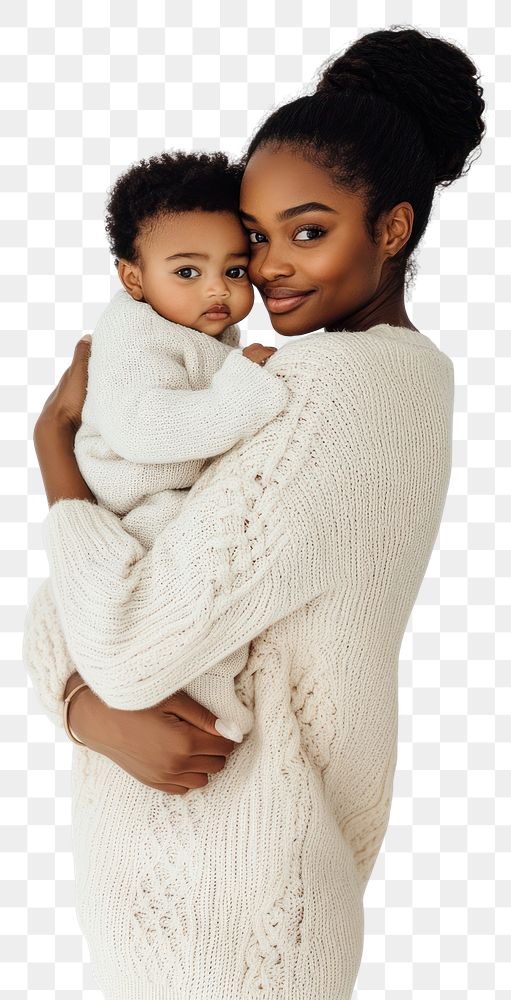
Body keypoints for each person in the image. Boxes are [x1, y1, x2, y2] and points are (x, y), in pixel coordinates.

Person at [22, 26, 485, 1000]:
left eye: (307, 232)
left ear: (391, 229)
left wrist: (55, 458)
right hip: (207, 893)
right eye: (256, 237)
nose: (265, 272)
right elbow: (103, 594)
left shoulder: (319, 393)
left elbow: (128, 639)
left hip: (231, 909)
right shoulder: (344, 381)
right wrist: (79, 703)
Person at [29, 149, 293, 750]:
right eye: (187, 271)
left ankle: (203, 697)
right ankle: (205, 707)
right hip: (136, 511)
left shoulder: (196, 331)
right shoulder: (131, 335)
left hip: (160, 509)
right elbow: (150, 435)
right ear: (133, 278)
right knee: (181, 605)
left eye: (233, 270)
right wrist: (246, 395)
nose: (217, 291)